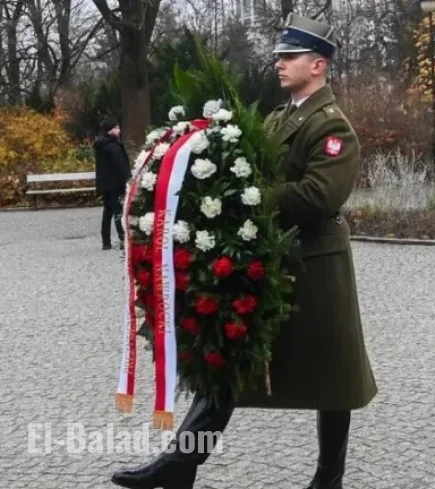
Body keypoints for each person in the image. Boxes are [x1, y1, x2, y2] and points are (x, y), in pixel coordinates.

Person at [110, 13, 378, 489]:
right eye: (278, 55)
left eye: (290, 56)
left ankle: (328, 477)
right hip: (269, 263)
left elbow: (321, 196)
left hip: (315, 268)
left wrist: (242, 196)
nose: (279, 63)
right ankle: (179, 464)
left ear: (318, 65)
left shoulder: (332, 127)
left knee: (334, 376)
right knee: (227, 360)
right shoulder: (280, 116)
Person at [93, 119, 131, 250]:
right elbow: (121, 166)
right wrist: (128, 179)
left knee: (108, 211)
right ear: (110, 130)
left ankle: (106, 240)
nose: (119, 130)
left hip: (106, 185)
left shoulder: (101, 144)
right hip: (116, 184)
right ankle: (123, 238)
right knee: (118, 211)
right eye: (117, 128)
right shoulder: (113, 146)